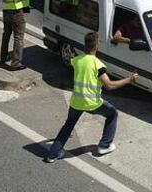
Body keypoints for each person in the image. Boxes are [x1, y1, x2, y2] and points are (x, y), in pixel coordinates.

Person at [46, 32, 138, 163]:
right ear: (97, 46)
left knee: (68, 125)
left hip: (76, 101)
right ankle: (104, 146)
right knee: (112, 114)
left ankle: (52, 154)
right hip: (92, 103)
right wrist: (129, 79)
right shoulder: (98, 65)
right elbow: (109, 85)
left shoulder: (77, 60)